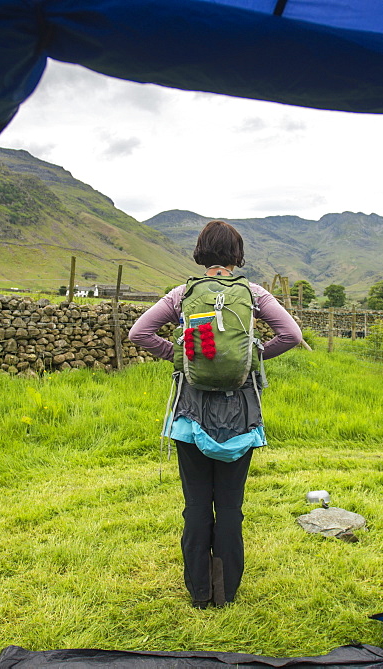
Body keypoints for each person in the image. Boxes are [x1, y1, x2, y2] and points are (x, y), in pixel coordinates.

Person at [128, 220, 302, 608]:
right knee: (229, 505)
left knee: (195, 505)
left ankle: (199, 592)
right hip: (240, 414)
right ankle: (226, 593)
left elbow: (139, 333)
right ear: (237, 256)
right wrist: (253, 357)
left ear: (201, 253)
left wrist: (181, 355)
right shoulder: (254, 293)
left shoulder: (182, 294)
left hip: (190, 412)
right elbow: (291, 335)